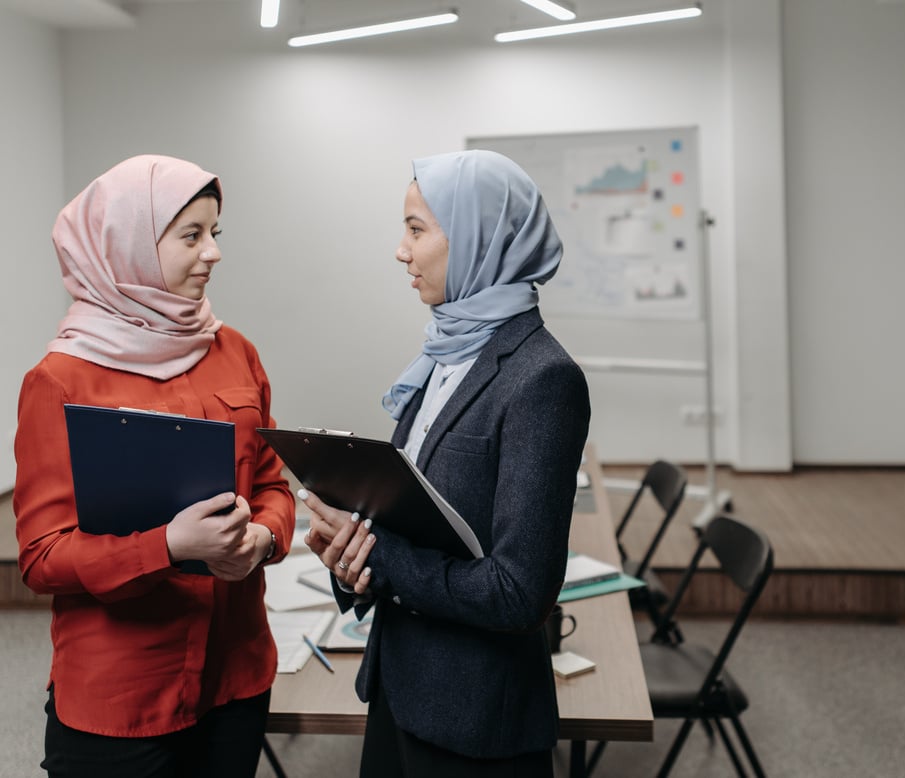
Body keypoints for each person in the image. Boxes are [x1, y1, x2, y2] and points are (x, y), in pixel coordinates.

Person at [300, 149, 590, 777]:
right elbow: (416, 524)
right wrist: (353, 557)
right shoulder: (446, 349)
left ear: (481, 238)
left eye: (416, 229)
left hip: (474, 721)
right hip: (400, 690)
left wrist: (382, 556)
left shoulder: (543, 379)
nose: (401, 251)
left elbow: (519, 594)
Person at [14, 154, 296, 777]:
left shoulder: (235, 350)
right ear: (128, 247)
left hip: (236, 676)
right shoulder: (62, 379)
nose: (213, 253)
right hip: (121, 695)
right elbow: (41, 557)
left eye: (215, 233)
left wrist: (263, 539)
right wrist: (167, 546)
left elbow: (274, 484)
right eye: (190, 235)